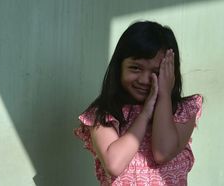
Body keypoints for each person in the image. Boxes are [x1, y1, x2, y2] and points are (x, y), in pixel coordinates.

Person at [74, 21, 202, 185]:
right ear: (119, 67)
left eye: (156, 72)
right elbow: (114, 165)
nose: (143, 80)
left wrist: (163, 97)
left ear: (171, 73)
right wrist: (146, 112)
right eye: (135, 68)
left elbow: (162, 153)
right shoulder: (103, 113)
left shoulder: (183, 111)